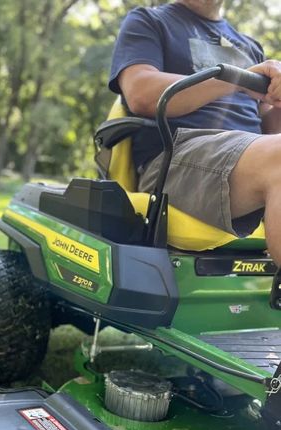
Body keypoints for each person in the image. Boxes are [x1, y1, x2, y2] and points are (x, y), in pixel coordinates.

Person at [109, 0, 281, 264]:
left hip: (251, 160)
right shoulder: (149, 22)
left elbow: (270, 128)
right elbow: (140, 93)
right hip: (174, 159)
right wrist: (235, 79)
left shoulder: (250, 46)